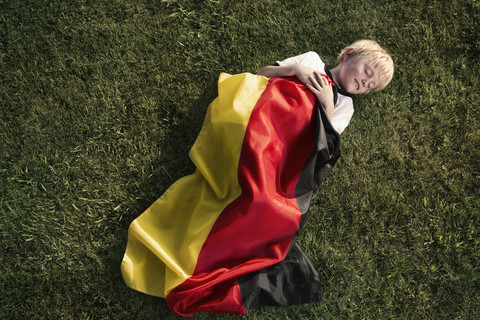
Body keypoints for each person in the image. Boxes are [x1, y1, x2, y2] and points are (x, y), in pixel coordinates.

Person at [257, 39, 394, 134]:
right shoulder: (311, 60)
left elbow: (324, 144)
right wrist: (296, 70)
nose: (365, 82)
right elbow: (261, 76)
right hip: (262, 112)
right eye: (366, 72)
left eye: (370, 86)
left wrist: (328, 104)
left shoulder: (345, 106)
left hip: (281, 139)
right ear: (349, 55)